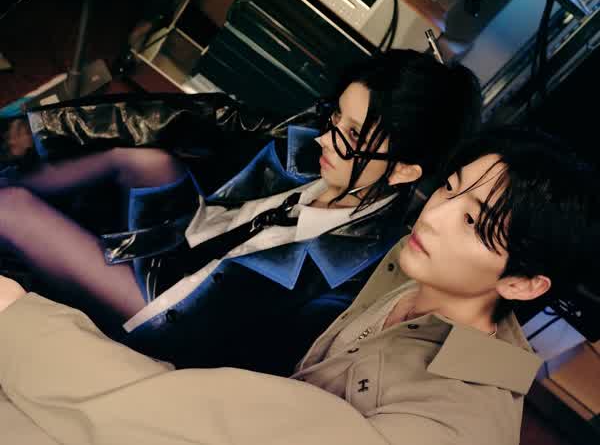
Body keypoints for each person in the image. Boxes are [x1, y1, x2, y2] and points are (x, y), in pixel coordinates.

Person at [0, 127, 597, 445]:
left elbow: (219, 424)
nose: (435, 216)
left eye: (474, 224)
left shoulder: (456, 420)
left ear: (524, 284)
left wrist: (26, 322)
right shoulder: (412, 266)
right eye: (450, 188)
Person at [0, 50, 482, 375]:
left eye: (352, 135)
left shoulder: (356, 272)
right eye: (336, 115)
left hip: (171, 313)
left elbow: (255, 357)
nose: (324, 137)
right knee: (143, 159)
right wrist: (40, 129)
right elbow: (205, 117)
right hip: (187, 239)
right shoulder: (320, 146)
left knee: (15, 210)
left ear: (403, 171)